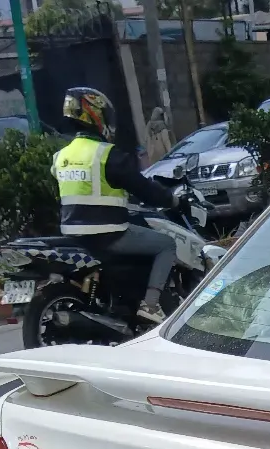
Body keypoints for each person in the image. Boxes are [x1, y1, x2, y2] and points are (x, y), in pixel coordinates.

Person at [53, 87, 180, 323]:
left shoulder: (61, 156)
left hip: (73, 234)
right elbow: (143, 188)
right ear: (95, 115)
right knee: (166, 245)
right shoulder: (106, 154)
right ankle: (150, 306)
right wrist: (171, 199)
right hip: (109, 234)